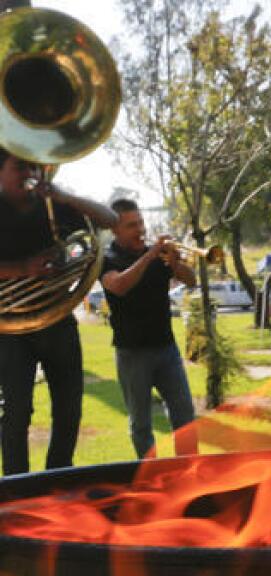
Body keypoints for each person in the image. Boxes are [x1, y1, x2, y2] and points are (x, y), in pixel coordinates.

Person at [0, 147, 117, 475]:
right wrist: (24, 268)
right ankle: (16, 487)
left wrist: (65, 196)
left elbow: (110, 220)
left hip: (58, 322)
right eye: (20, 167)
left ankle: (58, 478)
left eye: (35, 166)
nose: (30, 174)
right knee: (16, 414)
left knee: (69, 410)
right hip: (10, 328)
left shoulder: (54, 205)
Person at [100, 199, 198, 459]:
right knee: (141, 425)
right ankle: (151, 477)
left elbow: (191, 280)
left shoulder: (157, 255)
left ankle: (190, 473)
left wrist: (175, 263)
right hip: (132, 353)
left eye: (141, 222)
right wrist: (150, 255)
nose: (140, 230)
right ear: (115, 230)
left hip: (166, 348)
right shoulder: (108, 259)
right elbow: (119, 285)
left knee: (185, 416)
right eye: (132, 225)